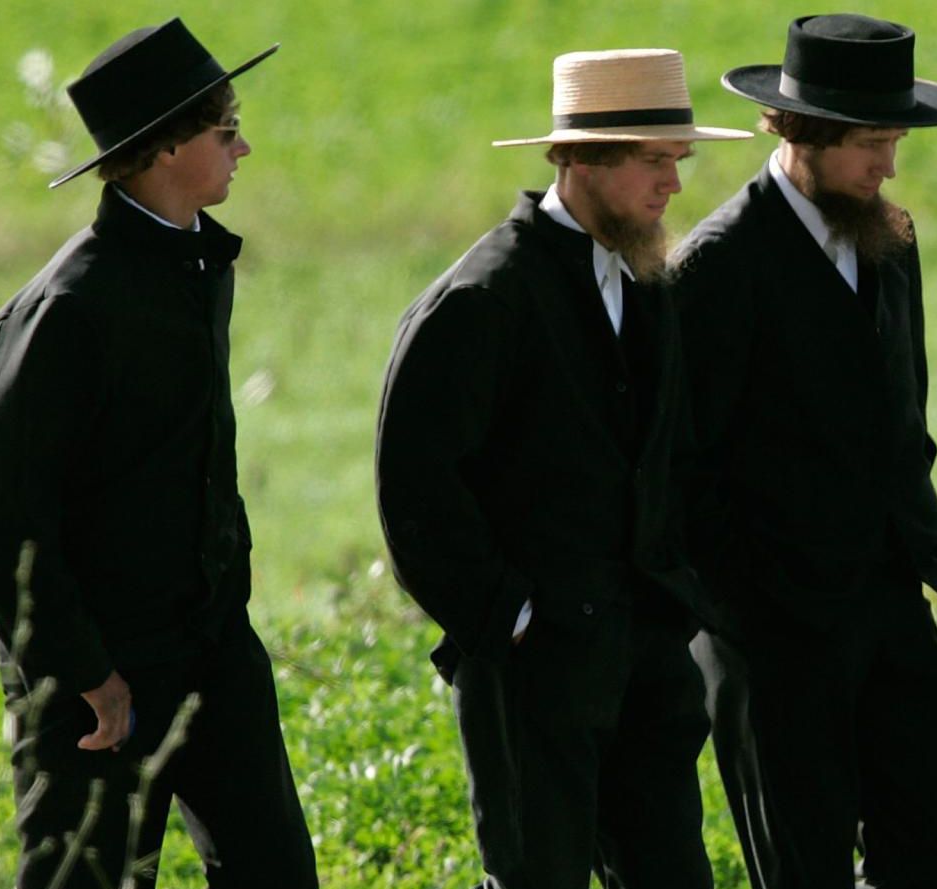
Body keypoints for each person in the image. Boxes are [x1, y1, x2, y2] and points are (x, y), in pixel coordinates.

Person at [375, 48, 749, 889]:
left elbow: (673, 457)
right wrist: (512, 620)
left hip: (647, 663)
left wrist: (673, 596)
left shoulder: (651, 281)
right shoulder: (483, 298)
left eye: (678, 162)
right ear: (579, 158)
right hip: (532, 673)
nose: (674, 187)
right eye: (654, 162)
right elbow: (417, 493)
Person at [0, 19, 316, 888]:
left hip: (212, 651)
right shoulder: (70, 308)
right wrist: (87, 671)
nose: (245, 147)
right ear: (162, 150)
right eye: (226, 130)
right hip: (96, 680)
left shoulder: (198, 263)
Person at [672, 15, 937, 889]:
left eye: (895, 141)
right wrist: (747, 605)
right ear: (800, 134)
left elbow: (901, 409)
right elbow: (685, 469)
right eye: (872, 143)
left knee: (934, 854)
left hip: (888, 611)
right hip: (771, 635)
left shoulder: (894, 238)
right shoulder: (720, 265)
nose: (889, 164)